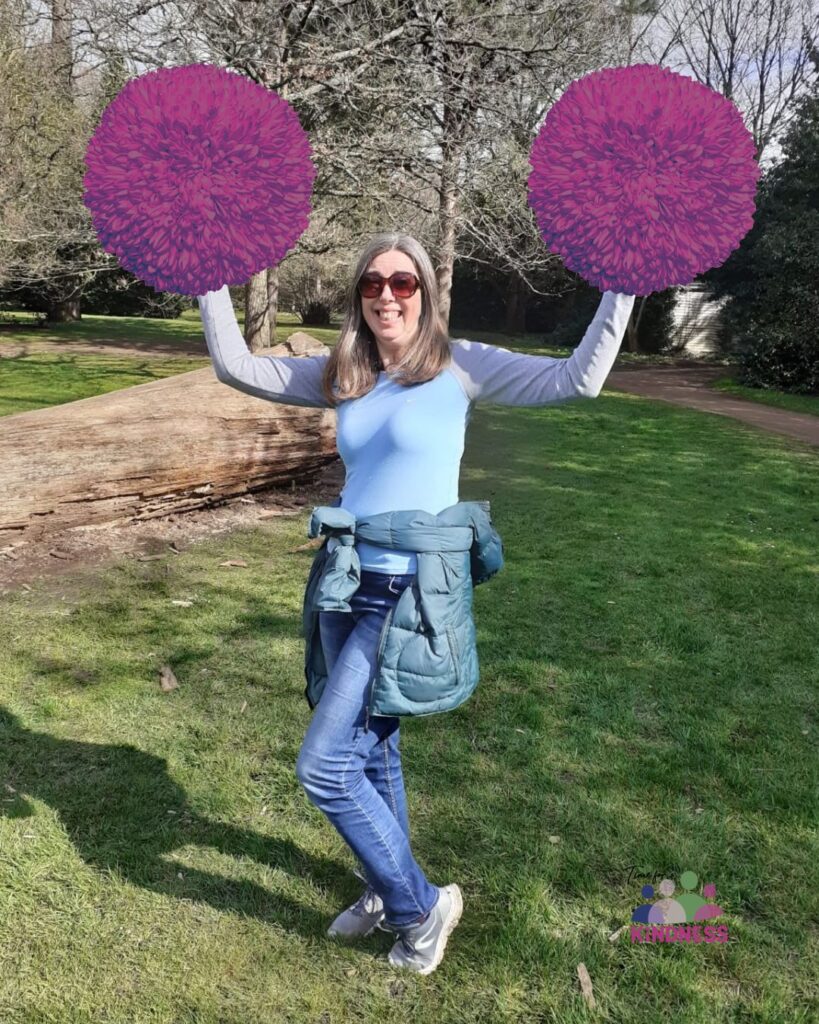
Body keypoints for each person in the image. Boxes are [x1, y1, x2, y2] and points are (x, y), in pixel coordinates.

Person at [198, 231, 635, 974]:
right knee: (375, 752)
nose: (387, 295)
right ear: (357, 295)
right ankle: (380, 885)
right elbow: (236, 366)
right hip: (344, 579)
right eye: (373, 283)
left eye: (404, 283)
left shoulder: (459, 365)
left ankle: (417, 907)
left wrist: (622, 284)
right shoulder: (345, 373)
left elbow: (576, 381)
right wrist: (205, 273)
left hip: (407, 591)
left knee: (324, 766)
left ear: (426, 293)